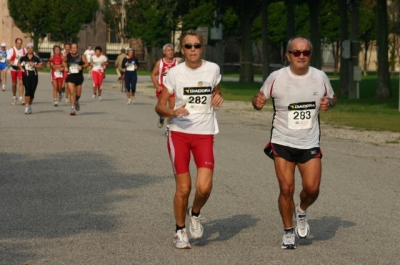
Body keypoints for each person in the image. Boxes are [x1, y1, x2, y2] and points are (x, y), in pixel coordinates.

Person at [252, 36, 337, 250]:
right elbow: (258, 99)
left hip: (309, 141)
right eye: (296, 52)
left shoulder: (320, 77)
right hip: (282, 141)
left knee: (312, 188)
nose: (301, 56)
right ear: (288, 55)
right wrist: (257, 102)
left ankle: (301, 210)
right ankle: (288, 231)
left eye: (305, 52)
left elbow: (333, 98)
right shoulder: (276, 77)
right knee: (286, 188)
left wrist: (330, 103)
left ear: (310, 55)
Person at [155, 30, 224, 249]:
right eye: (188, 46)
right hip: (179, 134)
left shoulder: (213, 69)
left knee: (204, 188)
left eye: (196, 46)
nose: (192, 50)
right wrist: (173, 113)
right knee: (184, 188)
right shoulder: (174, 73)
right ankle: (180, 230)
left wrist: (218, 96)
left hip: (205, 134)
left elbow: (216, 91)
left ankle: (195, 214)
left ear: (201, 47)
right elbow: (159, 106)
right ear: (181, 49)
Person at [151, 43, 178, 135]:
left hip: (173, 90)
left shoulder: (177, 63)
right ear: (164, 52)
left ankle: (168, 128)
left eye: (171, 50)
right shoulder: (160, 63)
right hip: (162, 89)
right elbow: (153, 75)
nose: (170, 52)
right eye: (168, 50)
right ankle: (162, 117)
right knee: (162, 108)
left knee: (172, 108)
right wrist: (157, 86)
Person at [63, 43, 89, 115]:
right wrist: (65, 67)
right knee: (71, 92)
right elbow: (64, 61)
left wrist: (82, 66)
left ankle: (77, 100)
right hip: (71, 76)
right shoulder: (67, 56)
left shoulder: (81, 56)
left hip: (79, 77)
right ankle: (72, 109)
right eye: (72, 48)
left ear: (77, 49)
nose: (74, 49)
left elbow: (87, 63)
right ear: (70, 49)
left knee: (78, 94)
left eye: (75, 48)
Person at [17, 43, 43, 114]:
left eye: (31, 48)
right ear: (27, 49)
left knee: (32, 92)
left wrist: (34, 65)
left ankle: (29, 105)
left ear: (33, 49)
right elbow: (18, 63)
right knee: (27, 90)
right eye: (29, 48)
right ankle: (26, 107)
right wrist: (21, 68)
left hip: (34, 76)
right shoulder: (23, 57)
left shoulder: (36, 57)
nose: (30, 49)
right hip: (26, 76)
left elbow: (41, 66)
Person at [7, 38, 27, 105]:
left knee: (21, 82)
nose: (19, 45)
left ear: (21, 43)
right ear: (15, 43)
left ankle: (21, 98)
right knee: (14, 84)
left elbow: (28, 57)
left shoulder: (24, 50)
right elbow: (8, 60)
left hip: (20, 69)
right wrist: (14, 63)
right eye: (18, 43)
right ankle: (14, 96)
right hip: (13, 69)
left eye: (20, 43)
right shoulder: (11, 50)